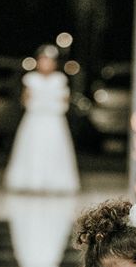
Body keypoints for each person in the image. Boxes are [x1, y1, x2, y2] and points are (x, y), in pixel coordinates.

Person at [4, 44, 79, 193]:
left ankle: (53, 181)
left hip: (53, 120)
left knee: (53, 148)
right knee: (33, 147)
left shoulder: (59, 79)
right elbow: (25, 100)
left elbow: (64, 100)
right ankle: (32, 180)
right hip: (35, 119)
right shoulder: (31, 79)